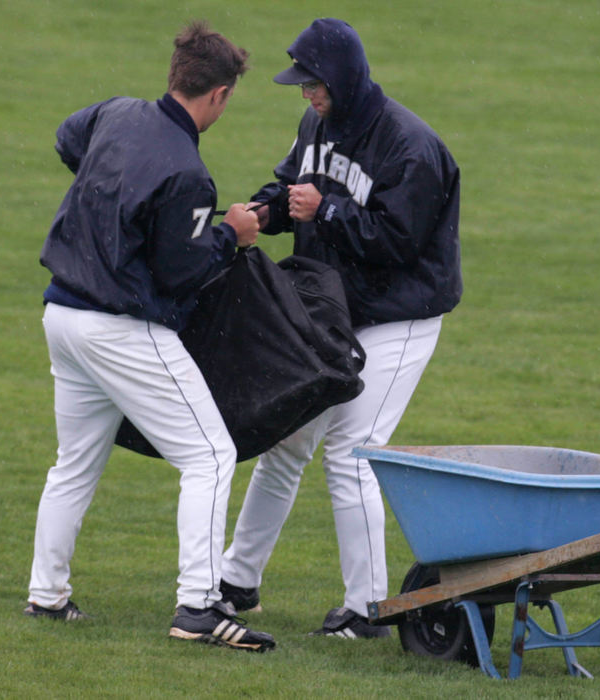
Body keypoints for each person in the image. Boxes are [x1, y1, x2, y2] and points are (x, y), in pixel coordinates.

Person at [25, 20, 276, 652]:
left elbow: (66, 139)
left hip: (62, 318)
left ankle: (46, 595)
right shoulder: (187, 173)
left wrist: (110, 188)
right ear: (217, 94)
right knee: (210, 456)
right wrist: (234, 235)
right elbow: (184, 271)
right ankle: (198, 607)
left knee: (74, 464)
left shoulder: (116, 114)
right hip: (119, 331)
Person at [219, 18, 462, 639]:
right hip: (334, 311)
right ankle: (236, 581)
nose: (306, 94)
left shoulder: (411, 146)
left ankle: (369, 609)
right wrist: (268, 209)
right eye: (301, 84)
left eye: (314, 83)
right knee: (285, 443)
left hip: (398, 317)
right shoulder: (317, 124)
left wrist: (324, 210)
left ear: (346, 77)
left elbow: (399, 243)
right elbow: (293, 185)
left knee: (353, 453)